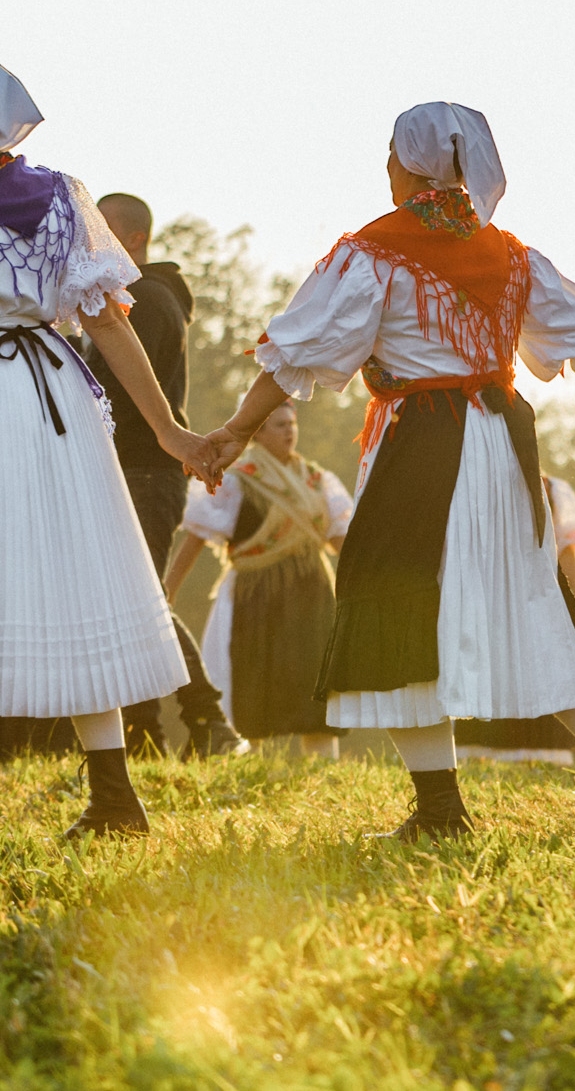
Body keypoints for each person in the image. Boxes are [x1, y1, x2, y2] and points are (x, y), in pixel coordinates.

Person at [206, 101, 575, 838]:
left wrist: (235, 430)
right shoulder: (510, 253)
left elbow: (296, 354)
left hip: (422, 447)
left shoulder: (375, 252)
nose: (385, 168)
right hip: (502, 447)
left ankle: (441, 808)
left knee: (396, 601)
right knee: (532, 599)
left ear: (411, 165)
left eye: (390, 155)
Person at [0, 63, 217, 837]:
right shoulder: (63, 195)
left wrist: (168, 430)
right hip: (49, 391)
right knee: (75, 584)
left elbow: (112, 318)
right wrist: (168, 430)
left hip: (39, 403)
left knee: (76, 586)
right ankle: (114, 795)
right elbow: (107, 321)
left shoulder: (63, 198)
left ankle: (116, 796)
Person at [74, 192, 247, 758]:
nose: (91, 242)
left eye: (103, 230)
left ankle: (209, 720)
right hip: (134, 467)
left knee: (142, 600)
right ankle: (144, 733)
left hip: (145, 469)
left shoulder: (145, 300)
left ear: (135, 239)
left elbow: (115, 384)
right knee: (125, 602)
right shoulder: (138, 297)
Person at [163, 400, 352, 759]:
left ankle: (324, 762)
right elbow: (196, 537)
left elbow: (339, 540)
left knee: (315, 675)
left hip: (311, 594)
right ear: (258, 432)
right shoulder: (237, 479)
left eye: (291, 423)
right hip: (257, 595)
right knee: (254, 674)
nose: (289, 431)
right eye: (279, 425)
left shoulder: (317, 480)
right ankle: (250, 759)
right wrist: (167, 591)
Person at [455, 473, 575, 764]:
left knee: (531, 671)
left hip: (528, 600)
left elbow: (565, 551)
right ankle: (486, 756)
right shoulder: (471, 477)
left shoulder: (550, 489)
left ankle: (532, 757)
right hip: (498, 602)